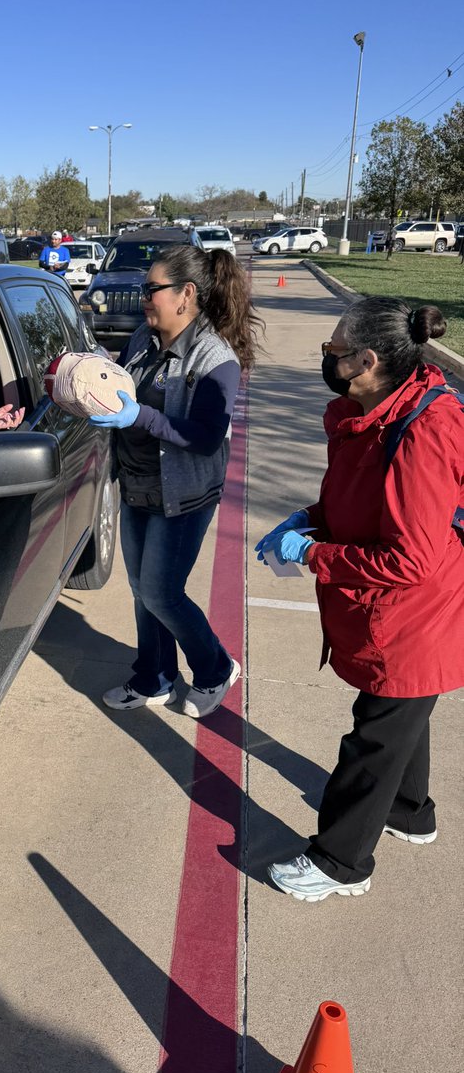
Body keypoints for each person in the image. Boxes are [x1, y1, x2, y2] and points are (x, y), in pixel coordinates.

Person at [257, 298, 464, 902]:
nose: (326, 359)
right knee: (401, 712)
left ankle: (340, 861)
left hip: (413, 615)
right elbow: (367, 501)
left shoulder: (422, 431)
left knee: (374, 738)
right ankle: (409, 810)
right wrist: (314, 519)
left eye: (333, 352)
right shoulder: (375, 410)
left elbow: (409, 559)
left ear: (367, 361)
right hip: (407, 612)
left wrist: (311, 554)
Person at [90, 245, 262, 716]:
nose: (144, 297)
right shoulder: (145, 339)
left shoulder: (215, 360)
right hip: (137, 484)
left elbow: (206, 438)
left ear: (186, 294)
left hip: (182, 495)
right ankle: (155, 677)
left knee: (162, 593)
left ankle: (214, 669)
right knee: (143, 592)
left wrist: (140, 415)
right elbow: (122, 385)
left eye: (152, 290)